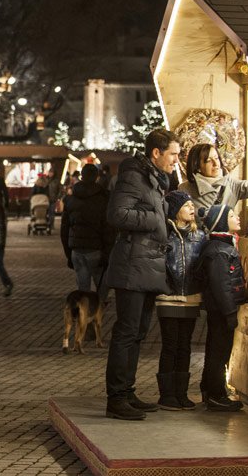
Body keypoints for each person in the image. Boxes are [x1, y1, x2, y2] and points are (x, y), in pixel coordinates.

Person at [104, 128, 180, 421]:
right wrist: (153, 219)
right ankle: (116, 398)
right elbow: (117, 214)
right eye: (173, 153)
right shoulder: (133, 176)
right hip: (132, 264)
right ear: (156, 153)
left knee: (137, 333)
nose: (176, 160)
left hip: (147, 264)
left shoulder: (155, 179)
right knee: (126, 332)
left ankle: (127, 391)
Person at [155, 190, 206, 411]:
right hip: (168, 297)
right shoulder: (165, 234)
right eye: (186, 206)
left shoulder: (200, 236)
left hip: (191, 298)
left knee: (185, 346)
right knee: (170, 345)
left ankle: (181, 393)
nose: (192, 209)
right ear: (175, 210)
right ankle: (167, 395)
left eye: (192, 205)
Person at [196, 204, 247, 412]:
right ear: (222, 222)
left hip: (220, 308)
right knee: (219, 351)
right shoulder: (219, 251)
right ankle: (216, 394)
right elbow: (221, 285)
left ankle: (211, 391)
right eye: (233, 215)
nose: (237, 218)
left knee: (216, 349)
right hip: (221, 309)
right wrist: (229, 312)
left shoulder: (222, 247)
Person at [60, 164, 113, 301]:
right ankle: (97, 314)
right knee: (102, 285)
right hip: (96, 249)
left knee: (82, 289)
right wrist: (108, 253)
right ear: (97, 177)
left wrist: (68, 252)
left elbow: (64, 229)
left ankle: (84, 316)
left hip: (76, 249)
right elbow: (108, 230)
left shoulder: (71, 200)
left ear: (81, 176)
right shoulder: (103, 199)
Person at [178, 143, 248, 214]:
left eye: (216, 158)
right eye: (209, 160)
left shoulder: (231, 185)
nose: (215, 163)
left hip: (223, 242)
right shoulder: (184, 190)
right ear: (197, 167)